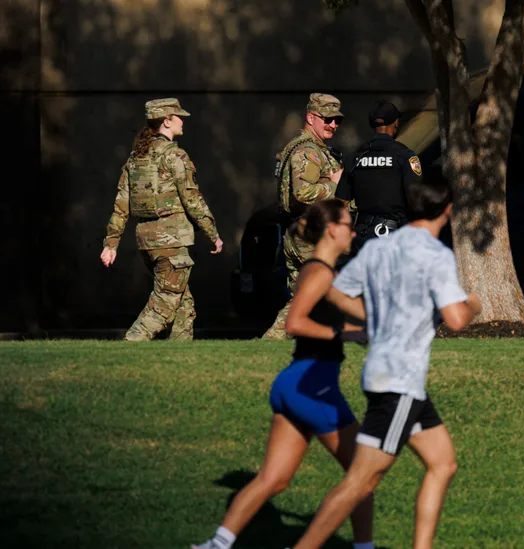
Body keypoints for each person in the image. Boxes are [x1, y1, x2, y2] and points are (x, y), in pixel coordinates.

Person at [289, 176, 481, 549]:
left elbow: (336, 289)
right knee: (360, 482)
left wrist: (374, 317)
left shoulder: (379, 249)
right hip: (398, 382)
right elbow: (456, 319)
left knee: (443, 464)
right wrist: (473, 304)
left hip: (394, 378)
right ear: (448, 209)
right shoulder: (436, 254)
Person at [192, 200, 374, 549]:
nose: (353, 231)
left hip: (293, 385)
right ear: (333, 229)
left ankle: (216, 545)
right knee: (362, 475)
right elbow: (295, 323)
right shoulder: (320, 272)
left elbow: (350, 314)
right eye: (349, 224)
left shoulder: (320, 272)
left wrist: (366, 326)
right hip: (312, 386)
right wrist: (341, 334)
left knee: (273, 480)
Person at [100, 98, 223, 341]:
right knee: (164, 304)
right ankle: (129, 345)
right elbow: (192, 199)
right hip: (172, 241)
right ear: (167, 121)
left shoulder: (136, 158)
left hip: (148, 241)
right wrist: (213, 234)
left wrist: (111, 243)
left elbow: (121, 204)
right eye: (179, 117)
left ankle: (178, 362)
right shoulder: (175, 156)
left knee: (183, 305)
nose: (183, 121)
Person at [262, 93, 346, 340]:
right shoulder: (307, 150)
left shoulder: (317, 148)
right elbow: (303, 193)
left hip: (305, 231)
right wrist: (334, 186)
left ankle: (271, 344)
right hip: (309, 233)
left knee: (305, 297)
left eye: (337, 120)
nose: (333, 125)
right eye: (327, 119)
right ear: (311, 117)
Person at [337, 100, 424, 259]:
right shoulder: (404, 156)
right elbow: (416, 200)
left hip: (362, 238)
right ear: (396, 123)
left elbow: (340, 203)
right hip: (395, 237)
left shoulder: (354, 158)